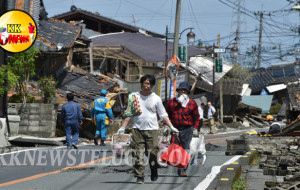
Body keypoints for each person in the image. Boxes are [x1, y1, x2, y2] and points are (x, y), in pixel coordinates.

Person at [117, 74, 177, 184]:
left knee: (153, 153)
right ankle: (140, 175)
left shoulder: (156, 99)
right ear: (141, 83)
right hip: (137, 129)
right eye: (146, 83)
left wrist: (171, 126)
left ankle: (153, 168)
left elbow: (163, 114)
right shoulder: (134, 97)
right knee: (138, 154)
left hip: (153, 130)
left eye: (150, 84)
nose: (148, 86)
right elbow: (129, 114)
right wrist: (122, 128)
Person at [166, 81, 200, 177]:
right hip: (174, 129)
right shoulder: (171, 102)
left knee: (185, 150)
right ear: (178, 91)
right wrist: (165, 126)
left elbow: (197, 117)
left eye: (185, 91)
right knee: (176, 149)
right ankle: (180, 166)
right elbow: (166, 115)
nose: (183, 92)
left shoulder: (192, 103)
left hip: (187, 129)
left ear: (188, 93)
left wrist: (196, 128)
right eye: (182, 90)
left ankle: (182, 170)